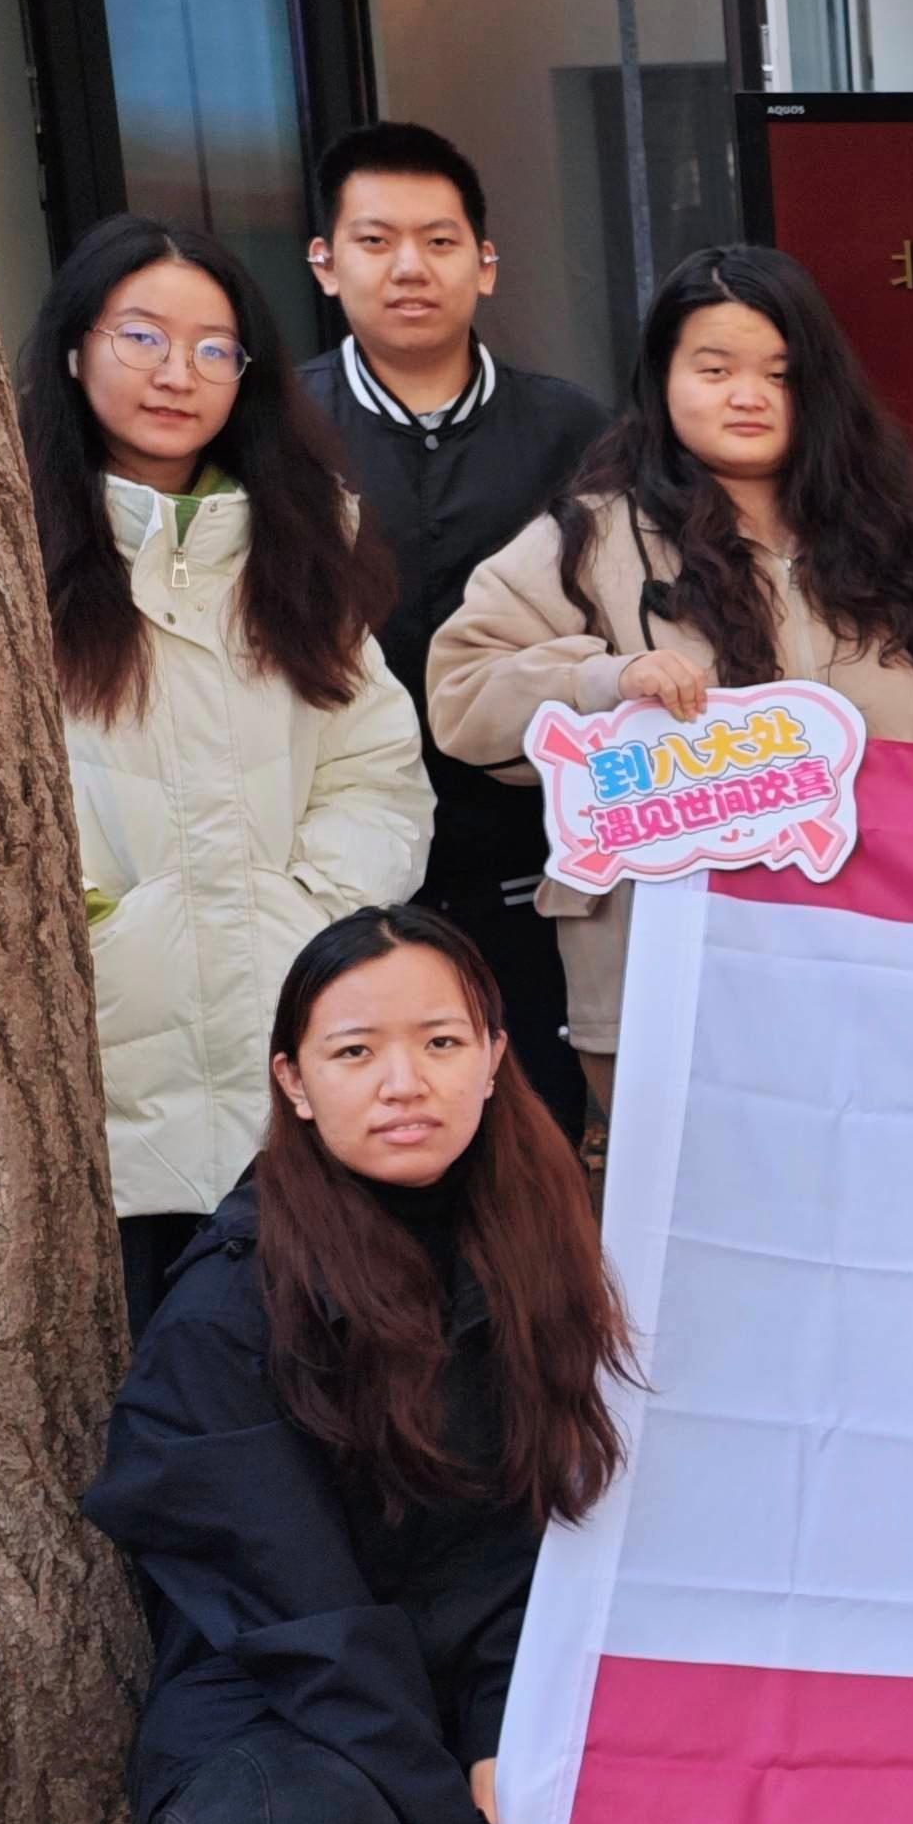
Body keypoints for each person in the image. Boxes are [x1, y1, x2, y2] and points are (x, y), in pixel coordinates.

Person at [87, 905, 651, 1824]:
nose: (405, 1082)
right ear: (293, 1080)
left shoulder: (533, 1239)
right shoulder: (228, 1302)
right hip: (277, 1706)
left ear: (495, 1054)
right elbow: (296, 1610)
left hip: (461, 1682)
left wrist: (495, 1743)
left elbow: (540, 1530)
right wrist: (436, 1814)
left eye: (441, 1042)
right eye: (356, 1051)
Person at [429, 245, 913, 1114]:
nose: (749, 395)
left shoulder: (894, 549)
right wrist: (603, 680)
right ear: (662, 377)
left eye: (780, 373)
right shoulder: (587, 539)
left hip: (885, 967)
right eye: (715, 368)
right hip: (668, 979)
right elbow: (462, 695)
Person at [22, 216, 433, 1339]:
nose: (178, 373)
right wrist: (99, 925)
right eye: (143, 336)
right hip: (106, 1044)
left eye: (214, 349)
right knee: (135, 1367)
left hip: (285, 1028)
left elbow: (375, 771)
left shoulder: (299, 540)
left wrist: (307, 912)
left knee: (311, 1360)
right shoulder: (5, 549)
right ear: (75, 348)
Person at [303, 122, 613, 1137]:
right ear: (326, 262)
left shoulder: (573, 430)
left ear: (484, 264)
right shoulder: (277, 430)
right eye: (375, 240)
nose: (409, 268)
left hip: (532, 845)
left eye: (438, 242)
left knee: (533, 1126)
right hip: (335, 849)